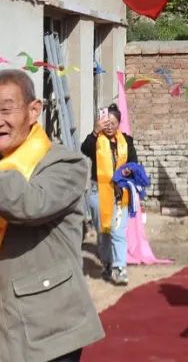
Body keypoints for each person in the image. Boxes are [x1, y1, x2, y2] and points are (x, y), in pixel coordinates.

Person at [0, 69, 103, 362]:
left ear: (34, 110)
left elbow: (28, 204)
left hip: (47, 336)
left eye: (6, 109)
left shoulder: (66, 165)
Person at [80, 103, 139, 285]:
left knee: (118, 230)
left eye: (114, 122)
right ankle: (107, 263)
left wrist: (130, 172)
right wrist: (95, 131)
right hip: (99, 192)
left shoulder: (126, 141)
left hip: (120, 193)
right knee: (104, 231)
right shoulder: (96, 141)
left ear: (119, 123)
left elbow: (134, 163)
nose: (110, 126)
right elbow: (84, 149)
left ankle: (119, 268)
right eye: (107, 122)